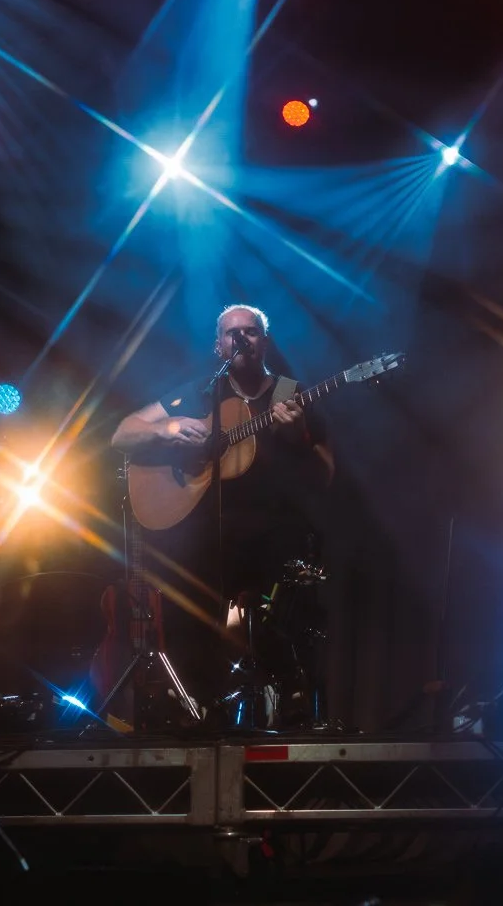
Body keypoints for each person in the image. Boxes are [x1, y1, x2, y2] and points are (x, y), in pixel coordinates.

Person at [109, 303, 334, 725]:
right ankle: (198, 706)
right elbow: (122, 433)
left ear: (264, 341)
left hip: (271, 536)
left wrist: (298, 436)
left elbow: (326, 474)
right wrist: (167, 429)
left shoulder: (290, 395)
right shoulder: (200, 393)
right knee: (182, 603)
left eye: (251, 331)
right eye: (232, 333)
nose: (241, 339)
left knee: (275, 607)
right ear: (219, 346)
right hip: (207, 539)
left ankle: (290, 698)